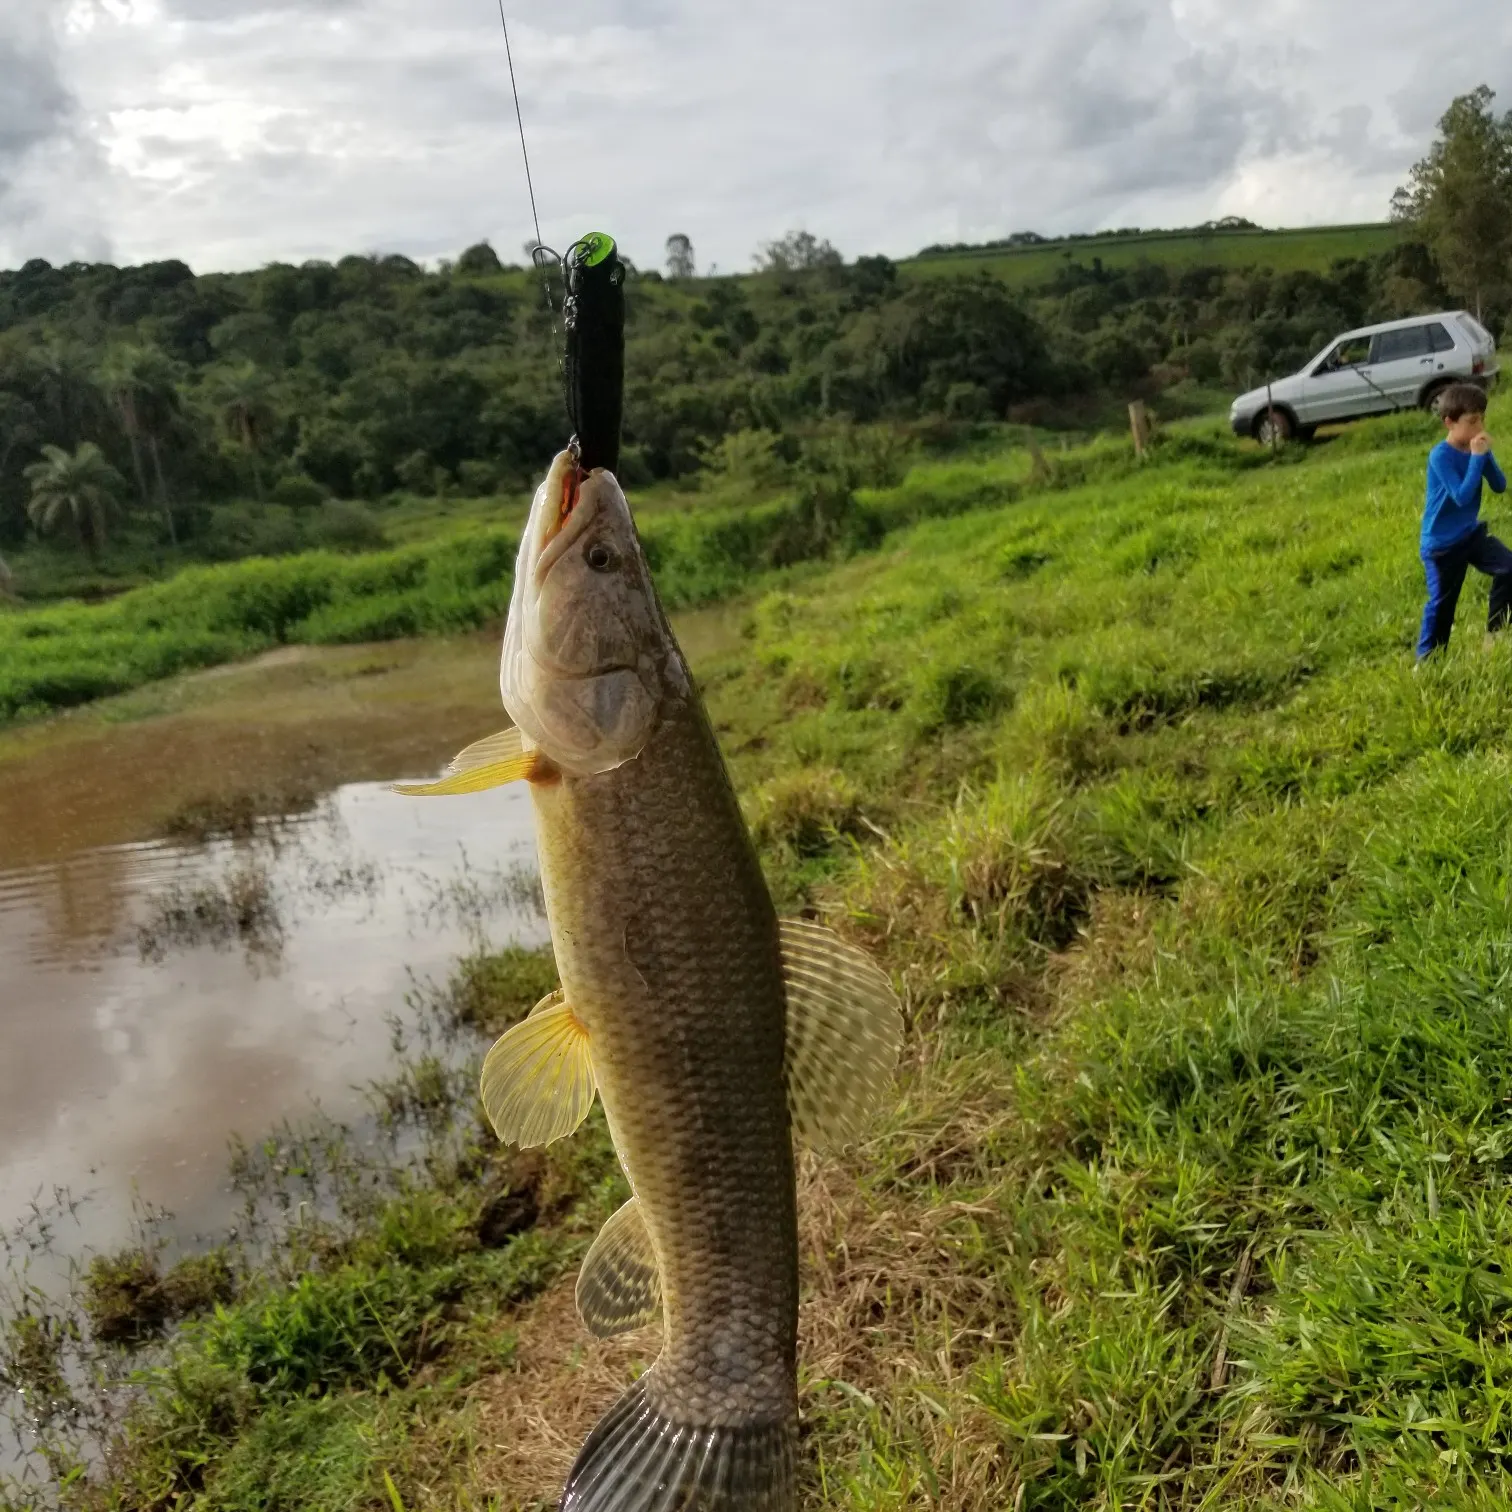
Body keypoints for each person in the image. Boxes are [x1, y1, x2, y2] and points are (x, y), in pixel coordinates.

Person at [1416, 384, 1509, 661]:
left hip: (1470, 535)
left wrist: (1485, 457)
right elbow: (1461, 495)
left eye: (1481, 418)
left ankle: (1496, 634)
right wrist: (1476, 458)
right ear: (1449, 422)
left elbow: (1500, 485)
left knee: (1509, 568)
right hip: (1441, 544)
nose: (1479, 426)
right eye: (1471, 421)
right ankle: (1428, 660)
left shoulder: (1475, 449)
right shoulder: (1440, 456)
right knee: (1443, 605)